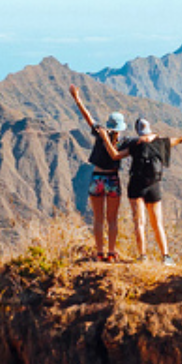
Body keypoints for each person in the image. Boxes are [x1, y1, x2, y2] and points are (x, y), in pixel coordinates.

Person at [122, 115, 182, 265]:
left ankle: (142, 256)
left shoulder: (134, 144)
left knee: (139, 222)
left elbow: (116, 155)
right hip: (154, 186)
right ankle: (166, 256)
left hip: (136, 186)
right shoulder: (162, 143)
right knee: (157, 223)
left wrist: (105, 139)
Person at [68, 85, 129, 262]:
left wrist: (77, 99)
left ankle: (99, 252)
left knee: (98, 219)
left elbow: (88, 117)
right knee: (112, 220)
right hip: (113, 179)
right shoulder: (124, 142)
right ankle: (111, 252)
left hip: (97, 179)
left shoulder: (100, 132)